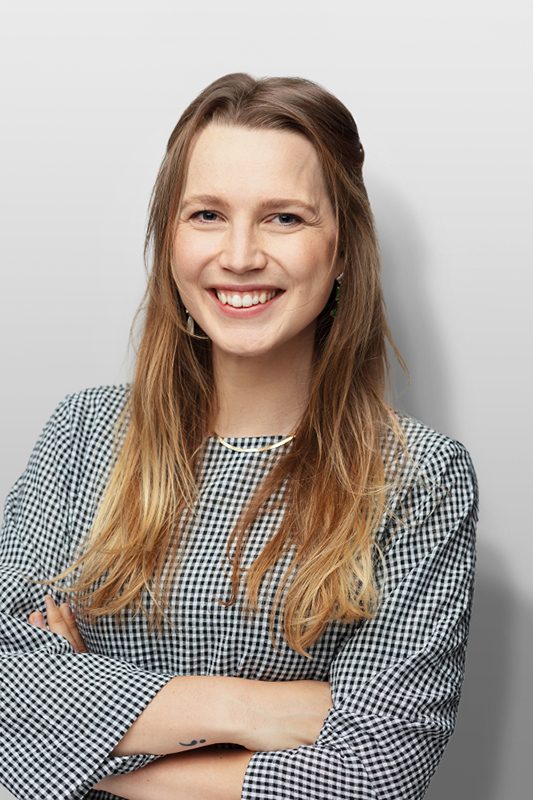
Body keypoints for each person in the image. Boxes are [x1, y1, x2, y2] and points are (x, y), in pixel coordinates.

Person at [0, 73, 477, 800]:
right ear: (169, 241)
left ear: (342, 247)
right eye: (207, 215)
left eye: (283, 217)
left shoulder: (417, 477)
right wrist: (256, 709)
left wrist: (89, 746)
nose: (241, 255)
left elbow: (376, 769)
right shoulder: (82, 432)